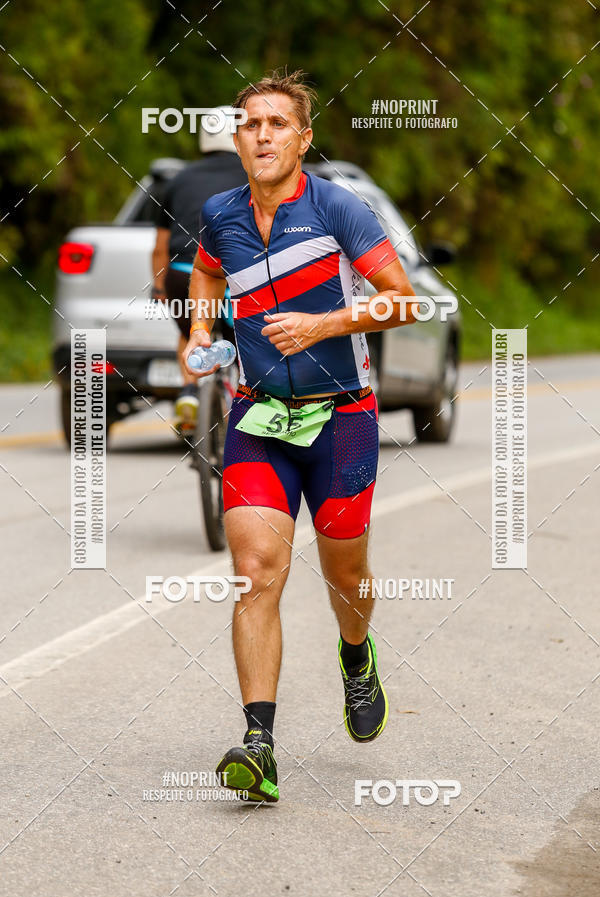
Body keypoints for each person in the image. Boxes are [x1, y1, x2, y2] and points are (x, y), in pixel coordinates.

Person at [183, 70, 418, 803]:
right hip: (258, 417)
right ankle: (259, 745)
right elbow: (205, 274)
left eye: (277, 123)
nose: (262, 135)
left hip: (342, 416)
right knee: (255, 572)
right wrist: (200, 331)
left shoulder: (337, 208)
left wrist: (323, 325)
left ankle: (356, 653)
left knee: (345, 576)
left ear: (303, 138)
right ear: (237, 138)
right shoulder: (221, 213)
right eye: (250, 123)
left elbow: (402, 302)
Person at [150, 107, 246, 432]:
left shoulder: (177, 180)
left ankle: (189, 391)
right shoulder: (252, 174)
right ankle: (242, 402)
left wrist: (160, 288)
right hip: (234, 274)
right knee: (242, 340)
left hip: (180, 272)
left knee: (188, 332)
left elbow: (160, 247)